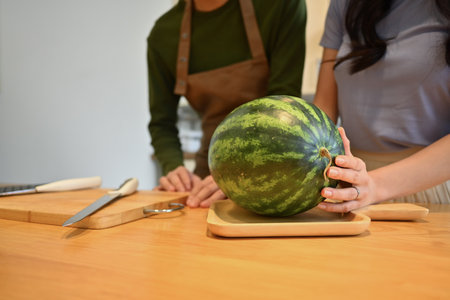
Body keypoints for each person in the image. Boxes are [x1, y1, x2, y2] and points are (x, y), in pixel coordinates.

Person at [147, 0, 307, 207]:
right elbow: (162, 124)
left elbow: (284, 106)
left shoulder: (281, 6)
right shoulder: (164, 35)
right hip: (209, 177)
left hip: (277, 171)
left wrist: (236, 175)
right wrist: (175, 170)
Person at [313, 0, 450, 213]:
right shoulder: (344, 4)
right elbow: (323, 108)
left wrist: (373, 185)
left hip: (430, 190)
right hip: (350, 186)